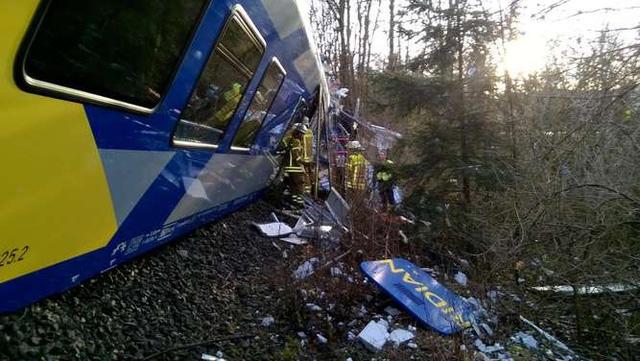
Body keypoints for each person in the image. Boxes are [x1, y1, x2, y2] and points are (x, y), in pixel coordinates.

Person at [282, 123, 307, 205]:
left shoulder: (291, 140)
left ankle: (294, 201)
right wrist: (303, 162)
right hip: (296, 167)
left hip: (291, 167)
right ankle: (299, 203)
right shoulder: (296, 141)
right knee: (300, 186)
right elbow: (296, 155)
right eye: (302, 134)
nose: (303, 135)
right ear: (299, 133)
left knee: (293, 186)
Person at [301, 117, 314, 194]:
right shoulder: (310, 132)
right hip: (310, 157)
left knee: (305, 175)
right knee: (310, 173)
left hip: (304, 158)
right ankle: (311, 189)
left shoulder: (303, 133)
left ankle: (307, 191)